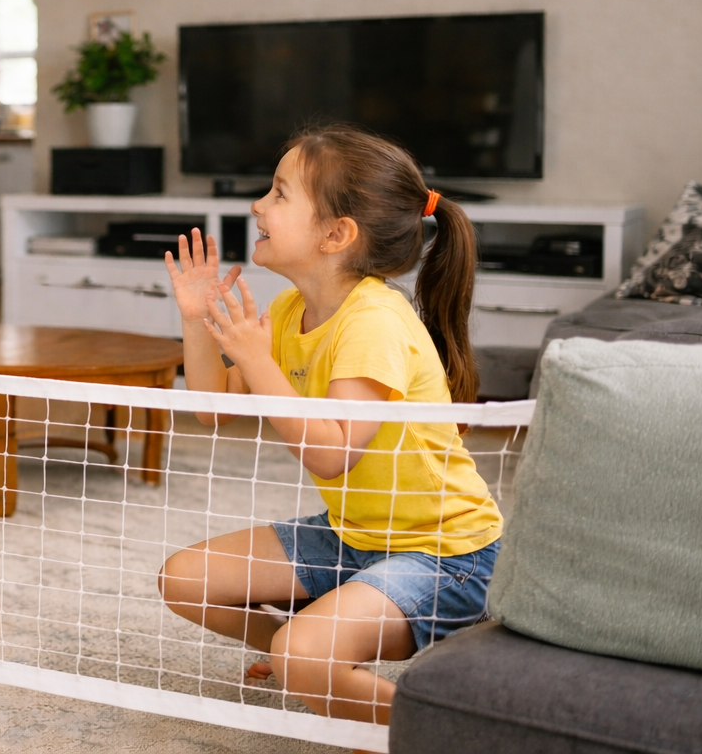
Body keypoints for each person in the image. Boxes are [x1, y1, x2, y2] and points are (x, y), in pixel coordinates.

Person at [157, 125, 501, 745]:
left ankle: (455, 734)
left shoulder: (373, 321)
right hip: (354, 535)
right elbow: (213, 410)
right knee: (184, 579)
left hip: (447, 557)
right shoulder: (292, 310)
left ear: (336, 234)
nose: (259, 205)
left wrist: (258, 363)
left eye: (279, 193)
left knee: (305, 657)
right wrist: (195, 318)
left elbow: (331, 453)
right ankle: (307, 650)